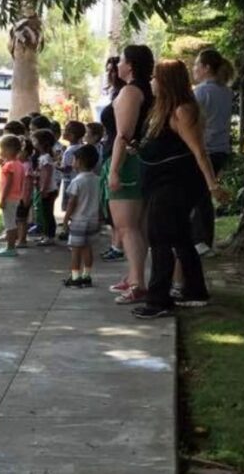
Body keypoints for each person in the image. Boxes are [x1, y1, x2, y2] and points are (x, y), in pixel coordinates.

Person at [131, 60, 229, 319]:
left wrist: (212, 185)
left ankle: (158, 300)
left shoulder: (183, 111)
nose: (151, 81)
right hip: (157, 181)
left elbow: (199, 151)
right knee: (180, 237)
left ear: (167, 81)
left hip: (175, 185)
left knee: (160, 237)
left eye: (155, 77)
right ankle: (195, 290)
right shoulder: (160, 110)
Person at [102, 45, 155, 304]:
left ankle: (137, 283)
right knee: (137, 226)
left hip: (127, 163)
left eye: (121, 60)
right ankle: (134, 275)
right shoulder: (146, 90)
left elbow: (123, 134)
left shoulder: (131, 91)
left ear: (131, 65)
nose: (117, 65)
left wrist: (113, 170)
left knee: (127, 227)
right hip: (138, 161)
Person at [189, 49, 234, 257]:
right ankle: (203, 239)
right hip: (221, 149)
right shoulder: (226, 92)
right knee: (205, 193)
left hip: (205, 149)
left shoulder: (201, 92)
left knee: (199, 195)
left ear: (207, 68)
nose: (194, 68)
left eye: (197, 65)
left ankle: (200, 241)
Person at [62, 144, 101, 288]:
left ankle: (75, 277)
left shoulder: (77, 181)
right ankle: (87, 275)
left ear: (79, 161)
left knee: (75, 249)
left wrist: (66, 220)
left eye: (73, 160)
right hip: (93, 219)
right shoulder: (98, 180)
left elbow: (72, 202)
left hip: (79, 220)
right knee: (87, 247)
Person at [0, 135, 26, 257]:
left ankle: (10, 248)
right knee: (11, 222)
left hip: (8, 198)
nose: (1, 152)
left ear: (9, 150)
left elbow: (8, 183)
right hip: (16, 197)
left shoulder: (9, 166)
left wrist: (3, 199)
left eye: (2, 149)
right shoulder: (19, 164)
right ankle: (11, 246)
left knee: (9, 224)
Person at [32, 129, 59, 245]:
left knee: (48, 213)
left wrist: (43, 188)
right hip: (45, 188)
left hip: (48, 189)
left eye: (35, 140)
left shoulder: (46, 158)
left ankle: (50, 236)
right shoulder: (43, 157)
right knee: (44, 212)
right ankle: (45, 234)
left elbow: (47, 174)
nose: (33, 142)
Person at [59, 120, 86, 213]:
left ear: (72, 135)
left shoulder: (70, 150)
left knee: (70, 202)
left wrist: (56, 166)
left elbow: (67, 168)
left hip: (69, 179)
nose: (63, 132)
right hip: (77, 178)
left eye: (66, 130)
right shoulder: (80, 147)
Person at [15, 138, 36, 249]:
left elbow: (27, 184)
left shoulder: (26, 166)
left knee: (21, 220)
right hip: (20, 197)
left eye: (19, 152)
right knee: (19, 219)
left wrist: (25, 198)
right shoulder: (22, 165)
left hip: (23, 197)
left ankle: (22, 239)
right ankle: (19, 238)